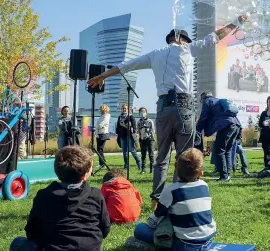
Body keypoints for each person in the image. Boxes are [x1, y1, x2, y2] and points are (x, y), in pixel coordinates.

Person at [87, 16, 246, 208]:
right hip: (184, 106)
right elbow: (215, 37)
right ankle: (180, 198)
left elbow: (126, 65)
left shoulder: (155, 54)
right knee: (184, 156)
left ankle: (156, 200)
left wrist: (102, 76)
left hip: (163, 108)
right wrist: (236, 22)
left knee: (161, 156)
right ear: (181, 40)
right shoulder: (187, 49)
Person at [9, 146, 111, 251]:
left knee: (17, 243)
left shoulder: (44, 195)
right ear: (84, 176)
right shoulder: (96, 195)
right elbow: (105, 228)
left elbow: (32, 230)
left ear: (57, 172)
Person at [133, 148, 216, 251]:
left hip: (186, 244)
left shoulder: (171, 190)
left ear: (176, 167)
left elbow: (157, 216)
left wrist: (149, 223)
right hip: (209, 240)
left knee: (140, 229)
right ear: (200, 173)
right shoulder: (204, 185)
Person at [196, 91, 241, 182]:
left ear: (203, 97)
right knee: (227, 150)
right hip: (236, 125)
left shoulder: (208, 101)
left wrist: (198, 129)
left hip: (226, 125)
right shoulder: (218, 101)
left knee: (219, 150)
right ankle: (227, 175)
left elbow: (203, 117)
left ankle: (224, 176)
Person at [116, 104, 141, 170]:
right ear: (121, 109)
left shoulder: (131, 116)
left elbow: (134, 126)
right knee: (125, 152)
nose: (124, 109)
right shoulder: (119, 117)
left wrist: (134, 134)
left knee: (132, 150)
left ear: (128, 109)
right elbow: (118, 127)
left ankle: (139, 163)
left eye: (126, 108)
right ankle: (126, 166)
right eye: (123, 108)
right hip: (122, 136)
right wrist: (118, 135)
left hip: (129, 135)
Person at [137, 107, 155, 174]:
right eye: (141, 112)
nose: (142, 113)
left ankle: (152, 169)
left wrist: (152, 138)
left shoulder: (150, 121)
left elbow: (153, 130)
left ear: (146, 113)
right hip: (142, 139)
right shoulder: (139, 122)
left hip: (150, 139)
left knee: (151, 154)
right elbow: (138, 130)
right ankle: (143, 169)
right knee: (143, 154)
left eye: (144, 111)